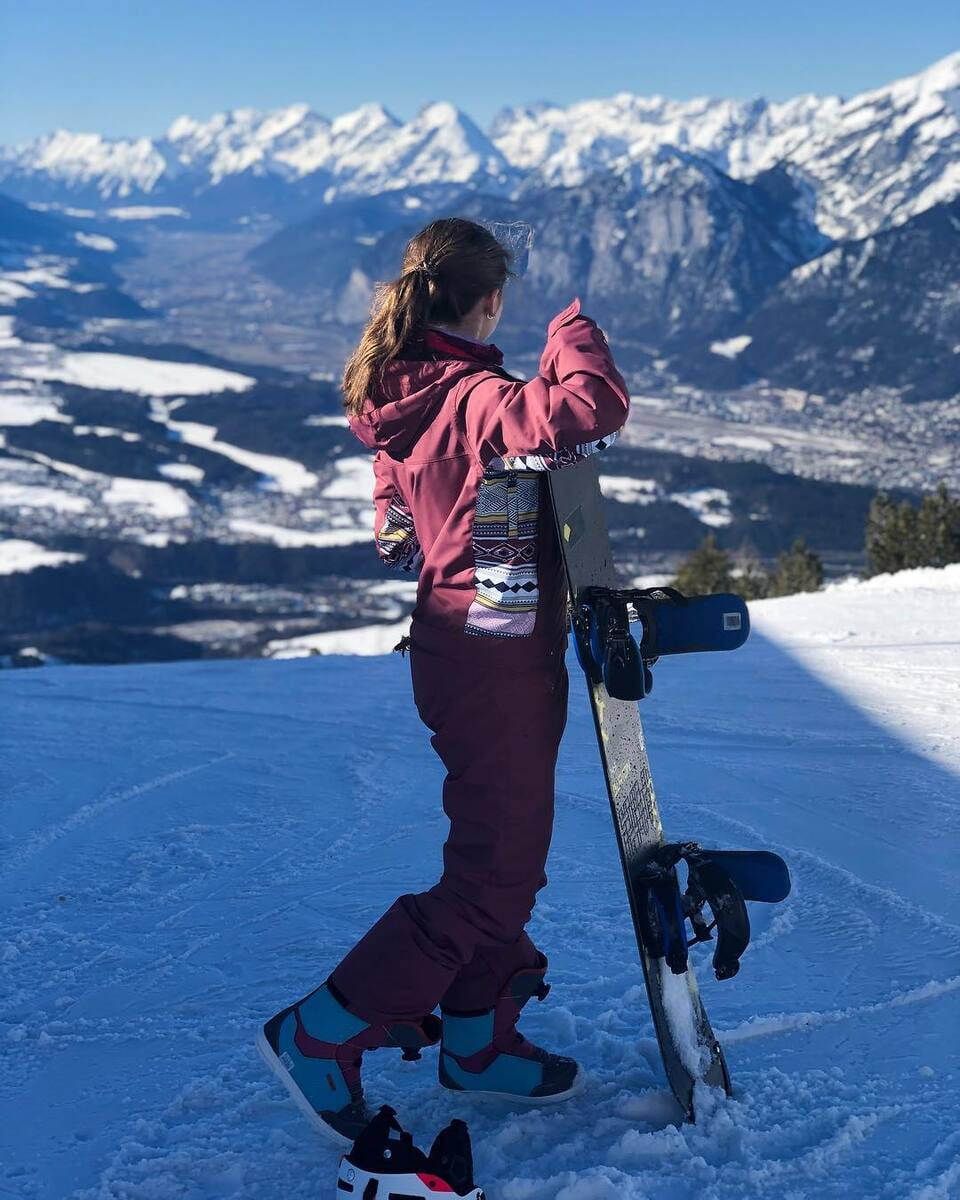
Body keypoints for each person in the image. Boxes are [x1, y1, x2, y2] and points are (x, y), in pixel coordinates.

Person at [258, 217, 630, 1144]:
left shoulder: (406, 393)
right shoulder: (473, 397)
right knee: (492, 872)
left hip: (466, 646)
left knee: (508, 857)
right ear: (489, 298)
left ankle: (474, 1041)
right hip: (493, 658)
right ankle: (323, 1028)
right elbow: (586, 410)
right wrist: (573, 337)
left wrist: (444, 518)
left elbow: (394, 525)